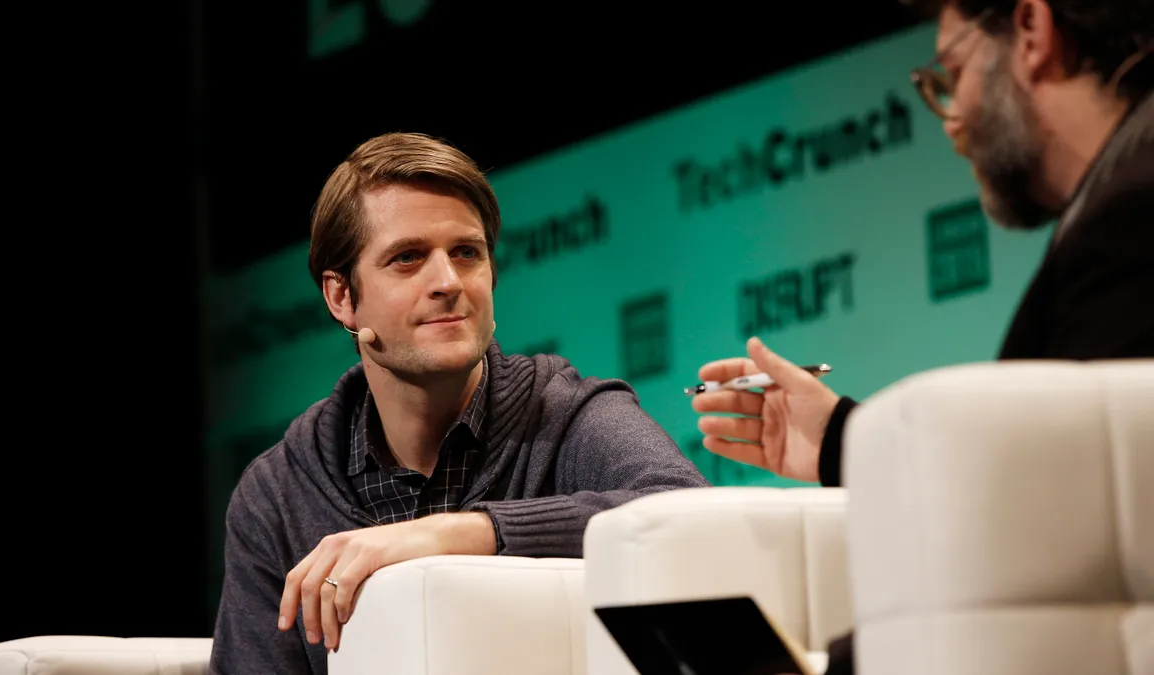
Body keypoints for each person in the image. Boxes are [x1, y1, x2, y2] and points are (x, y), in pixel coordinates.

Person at [691, 0, 1152, 672]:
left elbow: (1038, 539)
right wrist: (839, 439)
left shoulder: (1130, 221)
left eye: (953, 71)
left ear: (1033, 31)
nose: (952, 122)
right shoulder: (1119, 198)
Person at [210, 132, 709, 674]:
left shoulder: (566, 415)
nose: (448, 281)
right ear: (341, 297)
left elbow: (695, 523)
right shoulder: (278, 496)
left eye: (467, 253)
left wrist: (468, 531)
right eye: (407, 258)